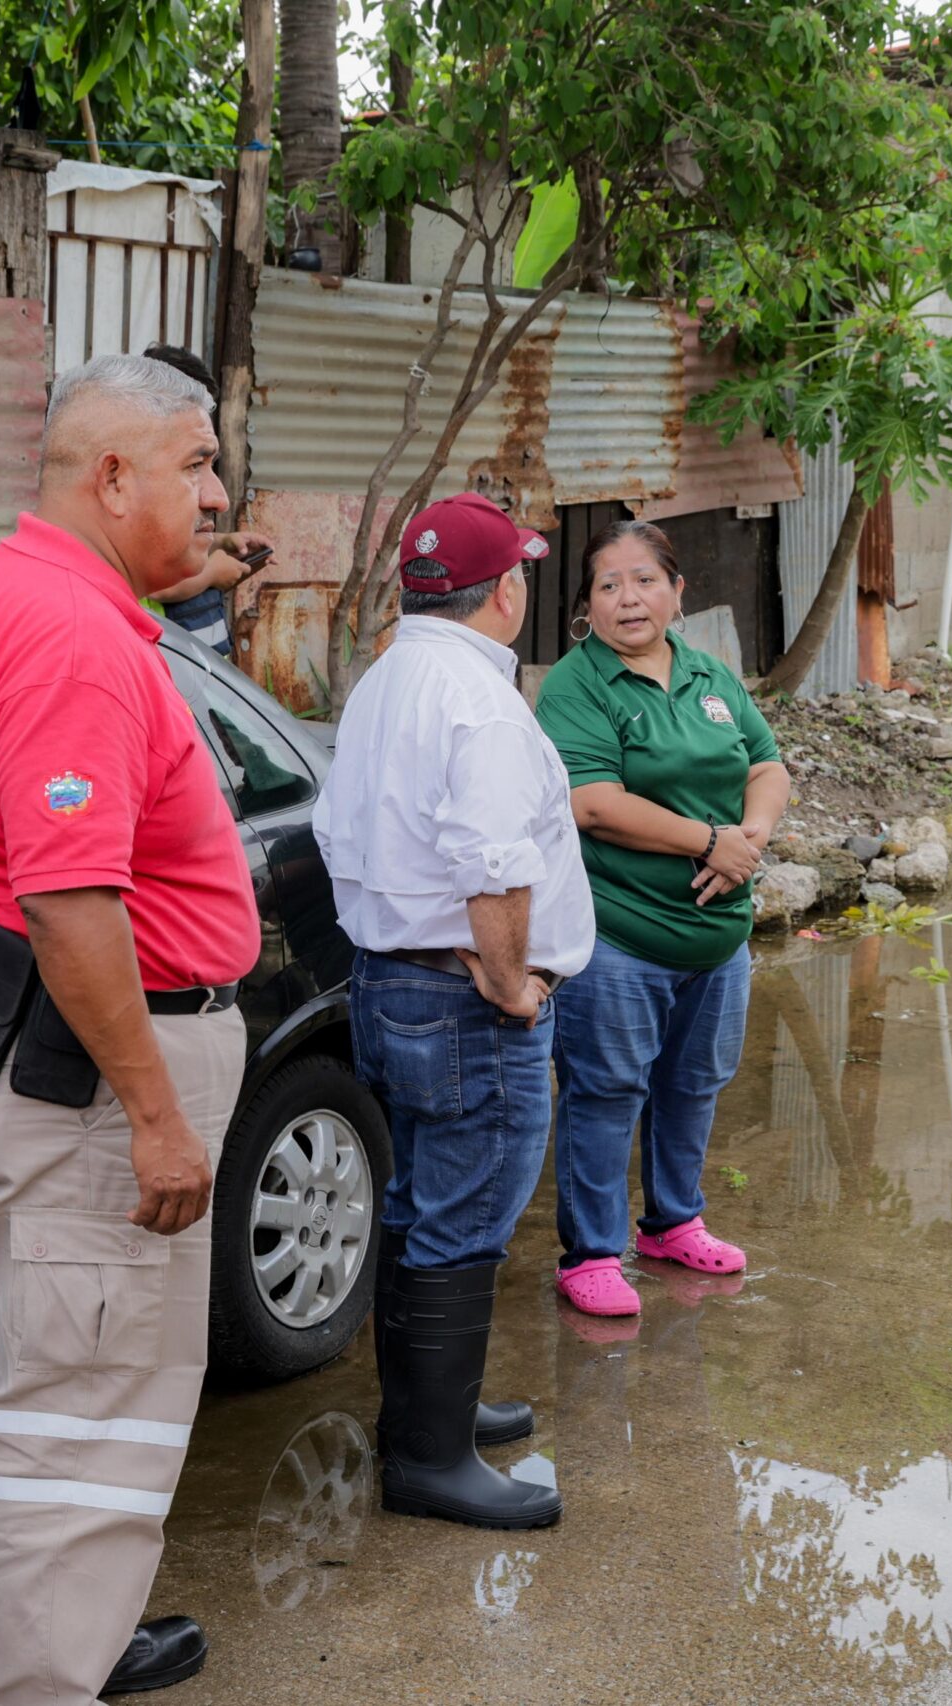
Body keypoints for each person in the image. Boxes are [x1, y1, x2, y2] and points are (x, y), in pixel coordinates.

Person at [0, 351, 261, 1705]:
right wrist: (159, 1118)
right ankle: (48, 1675)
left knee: (64, 1388)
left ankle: (70, 1639)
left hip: (30, 1051)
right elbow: (68, 902)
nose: (219, 494)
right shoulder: (68, 633)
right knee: (86, 1415)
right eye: (199, 464)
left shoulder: (6, 589)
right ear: (113, 477)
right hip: (97, 1083)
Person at [312, 491, 593, 1531]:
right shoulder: (480, 701)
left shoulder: (387, 678)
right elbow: (493, 861)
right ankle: (430, 1460)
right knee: (465, 1213)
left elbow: (338, 828)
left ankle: (427, 1415)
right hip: (466, 998)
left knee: (419, 1201)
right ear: (506, 589)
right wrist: (513, 982)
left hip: (393, 978)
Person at [533, 518, 788, 1319]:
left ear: (678, 591)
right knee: (606, 1092)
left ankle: (674, 1224)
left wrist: (748, 840)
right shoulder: (577, 685)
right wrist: (710, 840)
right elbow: (593, 804)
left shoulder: (709, 673)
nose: (628, 598)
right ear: (588, 605)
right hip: (620, 932)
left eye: (644, 580)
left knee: (694, 1083)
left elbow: (766, 764)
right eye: (608, 585)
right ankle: (592, 1253)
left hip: (718, 937)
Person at [134, 344, 272, 659]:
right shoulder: (144, 500)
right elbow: (156, 584)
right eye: (195, 465)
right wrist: (210, 573)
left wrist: (223, 542)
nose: (218, 499)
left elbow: (181, 542)